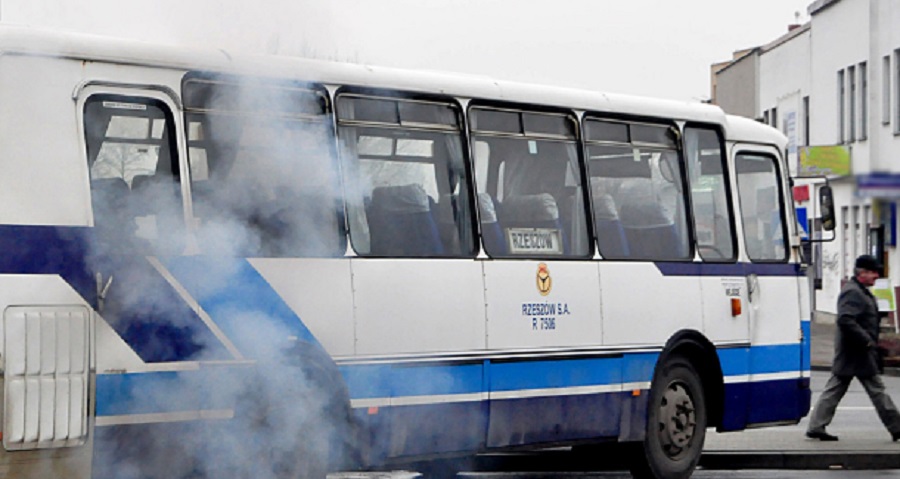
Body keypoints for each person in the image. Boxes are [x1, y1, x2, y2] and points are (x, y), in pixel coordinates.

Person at [806, 254, 900, 442]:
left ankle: (816, 426)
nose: (876, 276)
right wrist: (866, 341)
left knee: (835, 389)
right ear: (862, 273)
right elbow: (845, 319)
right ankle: (897, 427)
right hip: (857, 352)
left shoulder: (860, 290)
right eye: (873, 272)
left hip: (854, 352)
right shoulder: (853, 292)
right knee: (877, 390)